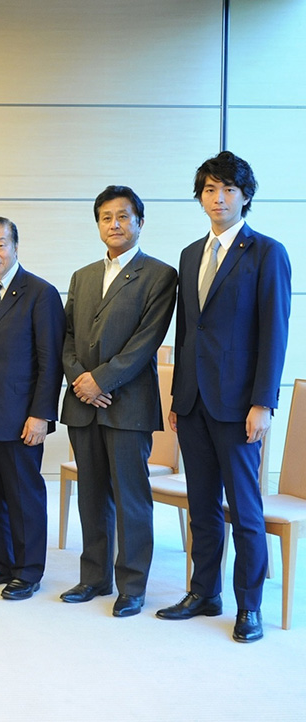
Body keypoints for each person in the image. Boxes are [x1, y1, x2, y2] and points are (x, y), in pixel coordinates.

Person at [156, 151, 291, 643]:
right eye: (210, 190)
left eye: (228, 189)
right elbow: (188, 331)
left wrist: (263, 403)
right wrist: (176, 397)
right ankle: (204, 593)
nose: (219, 198)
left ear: (245, 196)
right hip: (192, 403)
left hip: (239, 407)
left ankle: (248, 607)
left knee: (245, 510)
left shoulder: (267, 252)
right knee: (203, 506)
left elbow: (274, 334)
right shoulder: (191, 253)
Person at [59, 187, 177, 617]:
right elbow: (67, 336)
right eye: (106, 218)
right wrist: (80, 380)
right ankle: (93, 577)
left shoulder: (160, 275)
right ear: (98, 225)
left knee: (131, 497)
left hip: (127, 403)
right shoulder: (82, 276)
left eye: (123, 217)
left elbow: (147, 341)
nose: (115, 224)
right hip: (83, 402)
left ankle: (132, 584)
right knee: (91, 494)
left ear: (140, 222)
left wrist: (101, 379)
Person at [0, 216, 65, 600]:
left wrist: (41, 414)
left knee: (24, 494)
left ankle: (28, 570)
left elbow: (50, 360)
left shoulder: (41, 292)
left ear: (16, 246)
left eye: (0, 244)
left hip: (22, 415)